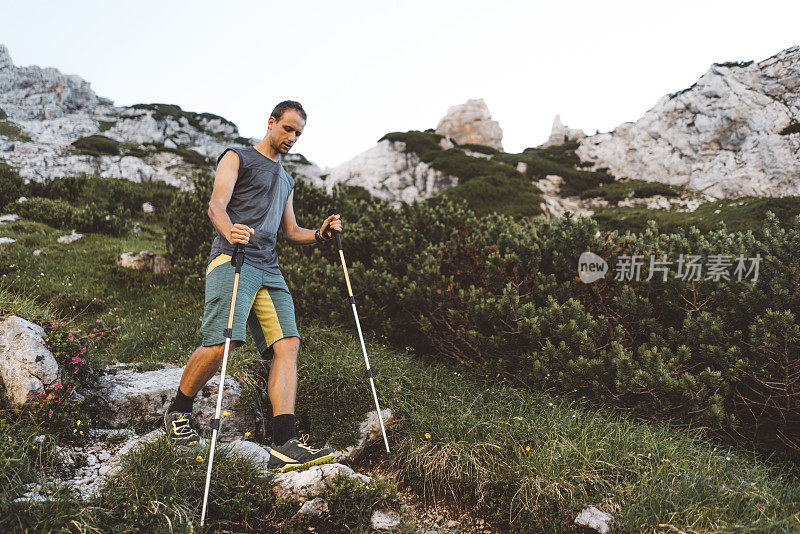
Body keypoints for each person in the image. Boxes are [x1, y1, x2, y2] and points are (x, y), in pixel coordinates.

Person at [163, 100, 342, 472]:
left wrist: (320, 234)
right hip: (233, 260)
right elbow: (216, 205)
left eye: (298, 133)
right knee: (221, 343)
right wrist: (231, 231)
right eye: (288, 128)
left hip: (269, 269)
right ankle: (177, 412)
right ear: (271, 122)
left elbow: (291, 232)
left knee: (288, 344)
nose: (292, 137)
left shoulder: (288, 179)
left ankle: (284, 442)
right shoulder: (237, 157)